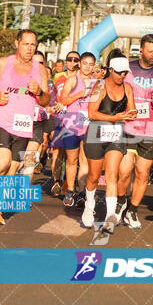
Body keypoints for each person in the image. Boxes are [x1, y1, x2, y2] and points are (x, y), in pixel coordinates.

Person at [0, 29, 50, 225]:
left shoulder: (40, 70)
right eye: (26, 44)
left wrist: (39, 92)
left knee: (12, 171)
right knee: (2, 162)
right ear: (17, 44)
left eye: (33, 44)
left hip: (24, 126)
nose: (29, 48)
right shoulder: (3, 63)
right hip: (2, 121)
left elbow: (45, 101)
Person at [115, 35, 153, 228]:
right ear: (140, 50)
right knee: (124, 172)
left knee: (142, 173)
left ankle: (132, 211)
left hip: (149, 131)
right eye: (150, 51)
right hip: (127, 127)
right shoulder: (128, 69)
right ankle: (120, 202)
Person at [82, 51, 136, 229]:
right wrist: (116, 117)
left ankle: (110, 216)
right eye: (120, 72)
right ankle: (89, 207)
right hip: (96, 133)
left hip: (116, 135)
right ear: (110, 70)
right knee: (93, 176)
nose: (123, 75)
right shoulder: (99, 86)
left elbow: (132, 109)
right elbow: (92, 114)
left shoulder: (128, 88)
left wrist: (131, 115)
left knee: (112, 175)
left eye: (125, 72)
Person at [59, 52, 96, 206]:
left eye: (90, 64)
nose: (87, 66)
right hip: (72, 123)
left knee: (85, 159)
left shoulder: (97, 83)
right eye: (85, 63)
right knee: (72, 159)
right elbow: (64, 100)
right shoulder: (72, 80)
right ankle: (69, 190)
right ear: (80, 64)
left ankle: (81, 192)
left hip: (88, 124)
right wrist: (80, 94)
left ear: (94, 66)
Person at [50, 51, 81, 197]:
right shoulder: (58, 77)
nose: (72, 62)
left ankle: (69, 185)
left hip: (75, 120)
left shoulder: (82, 79)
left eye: (76, 59)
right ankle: (57, 181)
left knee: (72, 155)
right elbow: (52, 95)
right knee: (57, 152)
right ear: (66, 61)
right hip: (59, 117)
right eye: (70, 59)